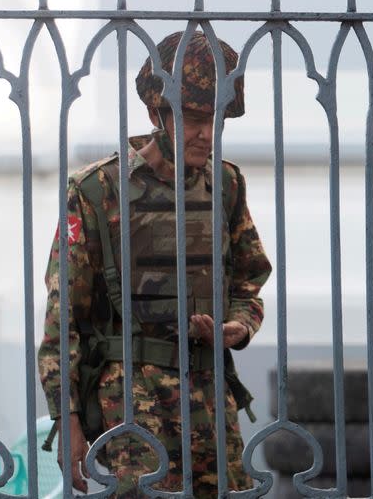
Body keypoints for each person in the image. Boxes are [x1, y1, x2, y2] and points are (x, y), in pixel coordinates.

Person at [37, 30, 272, 498]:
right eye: (194, 118)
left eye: (217, 119)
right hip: (131, 404)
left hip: (210, 395)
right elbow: (64, 318)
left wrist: (238, 327)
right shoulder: (98, 190)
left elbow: (250, 280)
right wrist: (68, 420)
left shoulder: (225, 185)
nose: (207, 133)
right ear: (155, 113)